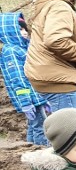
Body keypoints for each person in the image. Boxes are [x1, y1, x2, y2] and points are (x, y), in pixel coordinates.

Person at [0, 13, 49, 146]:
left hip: (34, 96)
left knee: (34, 126)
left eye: (24, 29)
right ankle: (41, 152)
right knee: (41, 128)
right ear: (10, 32)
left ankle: (28, 149)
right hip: (29, 98)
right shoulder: (11, 51)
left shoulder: (22, 48)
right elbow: (18, 80)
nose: (24, 32)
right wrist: (26, 102)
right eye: (19, 29)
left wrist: (42, 99)